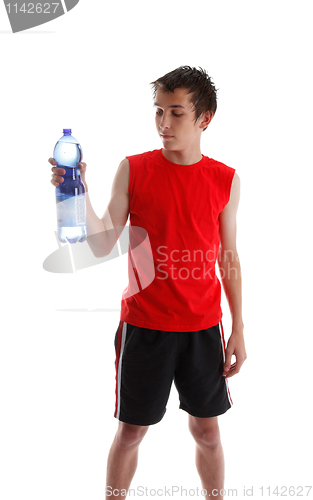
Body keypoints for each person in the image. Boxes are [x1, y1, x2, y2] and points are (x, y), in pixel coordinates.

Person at [49, 66, 247, 500]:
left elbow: (226, 256)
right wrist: (76, 190)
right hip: (145, 326)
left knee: (209, 433)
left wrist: (239, 328)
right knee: (131, 433)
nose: (163, 123)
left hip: (202, 328)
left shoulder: (225, 179)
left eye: (176, 113)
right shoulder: (133, 169)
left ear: (204, 119)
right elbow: (103, 245)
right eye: (158, 111)